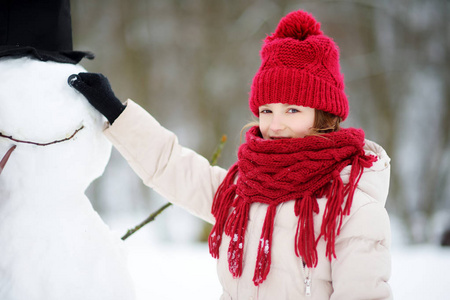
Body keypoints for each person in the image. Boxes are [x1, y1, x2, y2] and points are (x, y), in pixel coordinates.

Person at [69, 10, 392, 299]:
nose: (275, 125)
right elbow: (173, 167)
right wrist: (117, 114)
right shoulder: (243, 190)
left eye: (292, 110)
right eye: (267, 110)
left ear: (324, 115)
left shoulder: (352, 206)